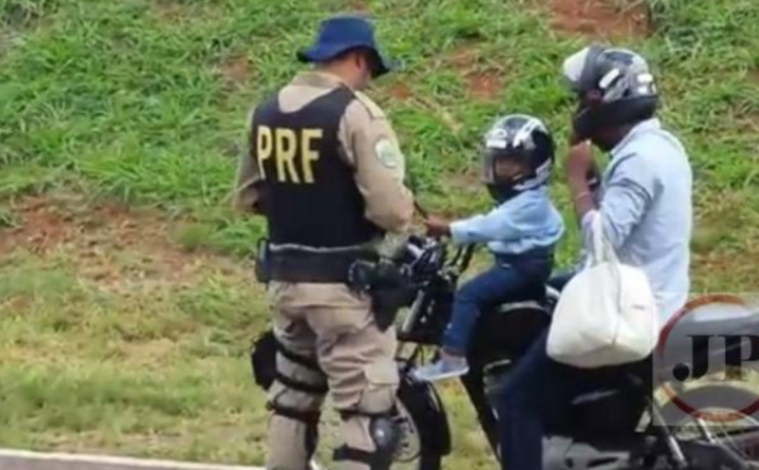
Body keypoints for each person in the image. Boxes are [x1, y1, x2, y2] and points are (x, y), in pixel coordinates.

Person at [494, 44, 693, 470]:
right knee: (549, 293)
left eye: (583, 99)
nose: (579, 108)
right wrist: (597, 183)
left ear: (606, 101)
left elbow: (603, 239)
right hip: (654, 294)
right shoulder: (662, 146)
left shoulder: (638, 160)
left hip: (629, 310)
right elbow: (627, 221)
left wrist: (575, 181)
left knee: (515, 400)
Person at [234, 14, 415, 470]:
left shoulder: (266, 110)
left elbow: (249, 196)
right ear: (358, 59)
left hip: (285, 282)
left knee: (293, 399)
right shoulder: (355, 113)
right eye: (370, 69)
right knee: (367, 413)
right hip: (345, 290)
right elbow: (391, 211)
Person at [412, 114, 565, 382]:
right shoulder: (526, 201)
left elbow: (488, 226)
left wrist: (448, 228)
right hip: (521, 265)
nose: (497, 172)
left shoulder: (527, 205)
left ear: (535, 167)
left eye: (507, 164)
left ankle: (453, 356)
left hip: (520, 268)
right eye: (496, 163)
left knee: (469, 295)